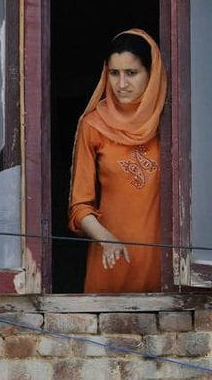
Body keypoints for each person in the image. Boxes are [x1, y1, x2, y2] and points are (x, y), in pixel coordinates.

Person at [68, 29, 167, 293]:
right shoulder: (94, 126)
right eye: (114, 73)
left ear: (152, 73)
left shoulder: (169, 125)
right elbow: (79, 207)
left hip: (165, 268)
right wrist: (106, 239)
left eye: (131, 73)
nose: (121, 83)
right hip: (110, 262)